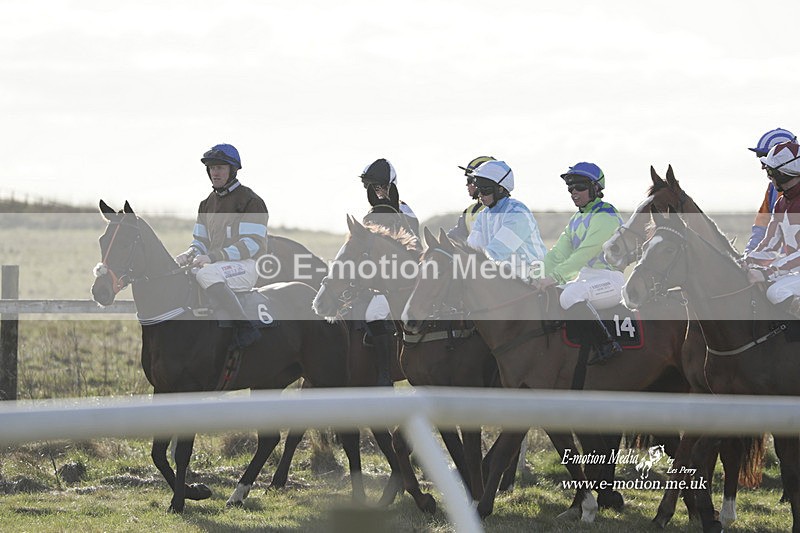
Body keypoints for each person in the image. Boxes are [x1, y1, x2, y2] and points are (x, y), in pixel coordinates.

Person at [175, 143, 268, 347]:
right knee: (181, 275)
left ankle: (245, 327)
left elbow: (251, 244)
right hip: (216, 267)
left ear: (232, 171)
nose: (215, 173)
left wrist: (212, 257)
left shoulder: (251, 201)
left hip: (246, 266)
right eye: (212, 168)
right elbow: (200, 242)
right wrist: (189, 254)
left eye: (220, 168)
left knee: (206, 274)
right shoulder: (206, 204)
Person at [536, 162, 624, 365]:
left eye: (580, 187)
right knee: (553, 294)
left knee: (571, 295)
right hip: (585, 279)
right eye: (570, 188)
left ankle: (607, 344)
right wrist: (537, 277)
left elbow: (584, 254)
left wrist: (555, 277)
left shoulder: (606, 215)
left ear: (596, 188)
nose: (574, 192)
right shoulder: (577, 218)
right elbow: (558, 254)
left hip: (610, 281)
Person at [359, 158, 419, 385]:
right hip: (377, 279)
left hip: (403, 278)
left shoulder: (404, 212)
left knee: (373, 313)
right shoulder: (370, 213)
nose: (375, 190)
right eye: (371, 187)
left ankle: (384, 374)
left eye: (379, 186)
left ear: (391, 185)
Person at [744, 141, 800, 318]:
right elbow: (770, 244)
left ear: (782, 173)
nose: (769, 177)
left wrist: (769, 272)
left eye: (770, 172)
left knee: (777, 292)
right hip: (795, 271)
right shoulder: (781, 203)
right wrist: (745, 261)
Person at [467, 160, 548, 278]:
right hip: (508, 278)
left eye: (485, 190)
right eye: (479, 189)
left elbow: (496, 253)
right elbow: (472, 248)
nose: (480, 195)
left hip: (536, 277)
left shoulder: (517, 212)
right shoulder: (483, 215)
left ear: (500, 189)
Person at [745, 128, 797, 254]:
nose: (763, 165)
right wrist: (748, 254)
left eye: (766, 156)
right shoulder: (772, 190)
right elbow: (761, 229)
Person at [447, 156, 494, 242]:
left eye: (469, 180)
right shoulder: (469, 211)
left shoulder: (502, 210)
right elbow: (454, 236)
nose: (467, 185)